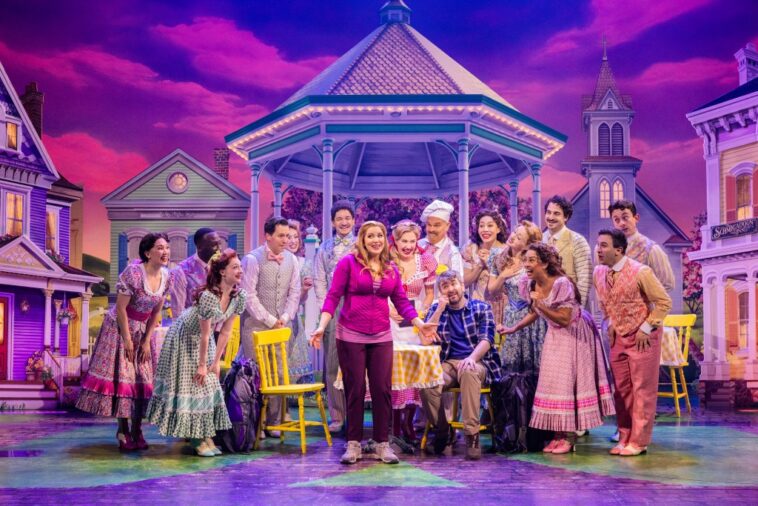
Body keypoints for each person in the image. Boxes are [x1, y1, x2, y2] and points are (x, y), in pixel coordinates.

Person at [310, 221, 437, 465]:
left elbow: (401, 301)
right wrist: (321, 326)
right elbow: (333, 296)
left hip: (381, 335)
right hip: (350, 335)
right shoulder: (348, 263)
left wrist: (419, 324)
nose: (376, 240)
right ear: (363, 239)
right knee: (355, 389)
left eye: (380, 235)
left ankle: (382, 444)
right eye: (371, 236)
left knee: (382, 389)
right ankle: (353, 443)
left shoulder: (390, 267)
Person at [503, 243, 614, 454]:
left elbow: (564, 318)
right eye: (525, 260)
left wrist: (541, 304)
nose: (526, 264)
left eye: (532, 260)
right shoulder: (529, 283)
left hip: (575, 332)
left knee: (568, 382)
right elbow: (536, 312)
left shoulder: (562, 284)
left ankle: (569, 437)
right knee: (553, 383)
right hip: (555, 332)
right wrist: (514, 327)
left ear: (545, 263)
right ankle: (557, 435)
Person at [146, 249, 247, 457]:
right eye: (235, 267)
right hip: (184, 338)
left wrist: (215, 362)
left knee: (208, 387)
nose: (240, 271)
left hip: (204, 341)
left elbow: (225, 331)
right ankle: (195, 438)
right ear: (222, 272)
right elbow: (204, 333)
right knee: (194, 385)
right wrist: (202, 365)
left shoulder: (238, 297)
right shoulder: (208, 297)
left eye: (240, 267)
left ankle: (206, 436)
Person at [77, 233, 171, 452]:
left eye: (167, 247)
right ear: (147, 252)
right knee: (124, 378)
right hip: (120, 328)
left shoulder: (167, 276)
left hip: (143, 330)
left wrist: (146, 340)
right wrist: (127, 339)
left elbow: (156, 311)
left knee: (142, 380)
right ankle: (123, 430)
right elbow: (120, 308)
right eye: (160, 248)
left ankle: (137, 429)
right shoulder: (134, 274)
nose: (165, 252)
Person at [594, 229, 672, 456]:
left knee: (642, 390)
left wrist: (646, 328)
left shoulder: (641, 272)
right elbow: (605, 302)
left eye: (604, 245)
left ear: (618, 250)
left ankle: (639, 441)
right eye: (598, 245)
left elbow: (663, 302)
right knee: (621, 390)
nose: (599, 250)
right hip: (618, 336)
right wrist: (609, 322)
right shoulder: (599, 272)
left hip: (642, 337)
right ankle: (625, 436)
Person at [421, 270, 502, 460]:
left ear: (462, 286)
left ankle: (472, 436)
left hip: (478, 362)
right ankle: (442, 430)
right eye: (445, 286)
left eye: (453, 284)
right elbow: (425, 340)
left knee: (468, 371)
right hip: (449, 364)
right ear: (441, 292)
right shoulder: (437, 310)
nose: (450, 289)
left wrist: (471, 358)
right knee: (427, 380)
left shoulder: (481, 308)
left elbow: (487, 339)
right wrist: (439, 310)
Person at [239, 217, 301, 432]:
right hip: (255, 327)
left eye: (288, 236)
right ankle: (256, 423)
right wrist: (270, 320)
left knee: (279, 374)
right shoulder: (252, 259)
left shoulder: (292, 260)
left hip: (282, 326)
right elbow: (248, 295)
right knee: (257, 374)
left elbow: (294, 292)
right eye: (281, 236)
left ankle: (274, 421)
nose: (286, 240)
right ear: (268, 236)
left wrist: (286, 316)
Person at [388, 219, 437, 443]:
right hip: (390, 318)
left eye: (412, 241)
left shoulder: (425, 261)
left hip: (414, 318)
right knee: (393, 371)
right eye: (404, 241)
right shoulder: (387, 260)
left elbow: (429, 293)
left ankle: (408, 421)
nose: (408, 246)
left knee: (412, 372)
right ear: (395, 241)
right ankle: (394, 423)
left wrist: (421, 311)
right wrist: (389, 309)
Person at [313, 200, 356, 433]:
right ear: (332, 222)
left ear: (354, 220)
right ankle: (337, 415)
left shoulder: (361, 245)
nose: (344, 222)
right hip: (333, 307)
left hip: (357, 306)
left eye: (347, 218)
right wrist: (326, 309)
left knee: (356, 363)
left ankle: (356, 411)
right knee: (332, 363)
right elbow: (319, 280)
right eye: (339, 219)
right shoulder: (325, 248)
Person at [489, 220, 546, 381]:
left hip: (531, 315)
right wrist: (503, 276)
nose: (513, 236)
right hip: (511, 314)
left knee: (532, 365)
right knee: (510, 363)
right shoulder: (498, 257)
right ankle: (511, 395)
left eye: (519, 237)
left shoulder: (532, 261)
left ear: (528, 244)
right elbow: (492, 290)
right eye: (515, 232)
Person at [607, 200, 675, 292]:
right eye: (617, 220)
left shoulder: (651, 249)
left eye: (625, 218)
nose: (621, 223)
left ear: (636, 218)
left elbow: (667, 283)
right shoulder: (608, 250)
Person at [542, 195, 592, 307]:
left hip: (570, 305)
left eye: (556, 213)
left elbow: (585, 279)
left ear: (566, 217)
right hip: (545, 306)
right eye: (548, 212)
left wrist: (577, 308)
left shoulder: (578, 240)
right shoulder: (540, 239)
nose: (551, 217)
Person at [462, 210, 507, 326]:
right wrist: (480, 265)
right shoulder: (471, 249)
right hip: (477, 303)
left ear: (498, 229)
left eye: (490, 225)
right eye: (481, 226)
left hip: (500, 304)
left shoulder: (506, 251)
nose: (485, 229)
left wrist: (489, 263)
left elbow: (508, 285)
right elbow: (464, 283)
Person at [169, 228, 222, 318]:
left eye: (219, 244)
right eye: (214, 245)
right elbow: (178, 311)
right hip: (192, 324)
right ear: (199, 247)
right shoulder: (181, 270)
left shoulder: (219, 267)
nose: (219, 249)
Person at [285, 219, 314, 383]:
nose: (293, 241)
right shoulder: (274, 261)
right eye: (289, 237)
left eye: (296, 237)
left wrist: (304, 289)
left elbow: (302, 300)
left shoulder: (303, 263)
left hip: (292, 319)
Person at [418, 199, 464, 284]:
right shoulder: (417, 245)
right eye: (429, 224)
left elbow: (458, 283)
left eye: (436, 225)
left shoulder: (452, 253)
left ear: (447, 226)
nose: (431, 229)